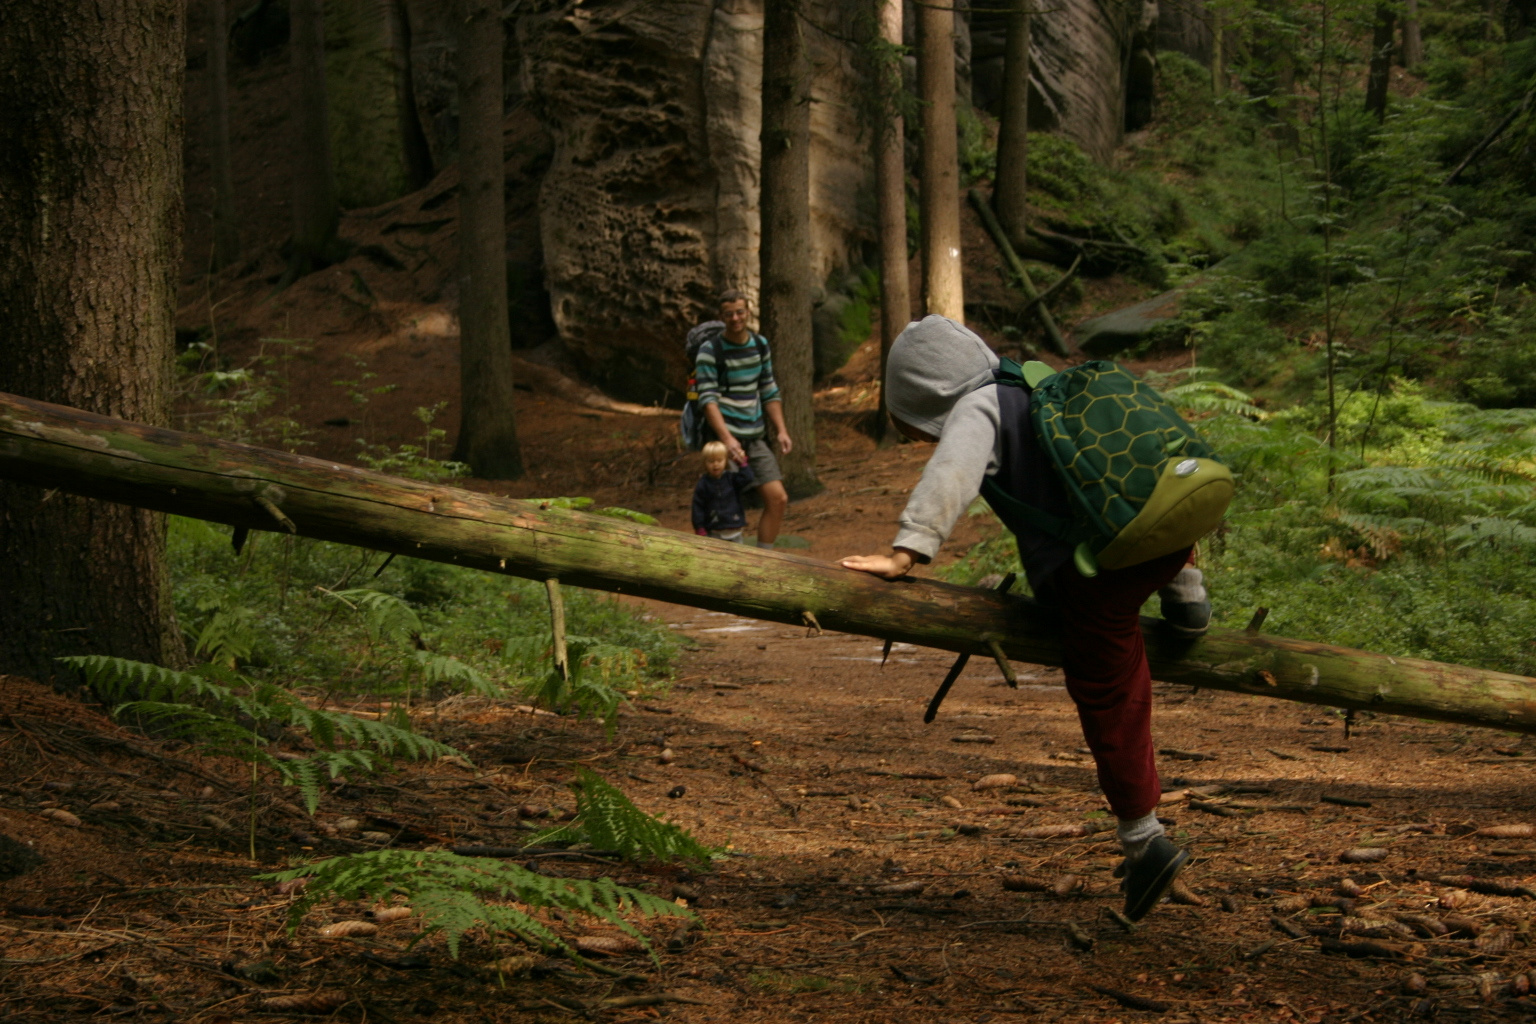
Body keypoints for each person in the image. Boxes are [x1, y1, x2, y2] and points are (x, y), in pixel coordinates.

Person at [840, 315, 1212, 922]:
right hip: (1160, 534)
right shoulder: (1038, 384)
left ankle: (1145, 841)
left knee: (1107, 687)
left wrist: (907, 550)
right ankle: (1187, 598)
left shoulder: (977, 407)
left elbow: (951, 473)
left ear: (929, 393)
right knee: (1141, 520)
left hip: (1096, 573)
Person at [695, 290, 792, 549]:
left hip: (755, 437)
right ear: (721, 317)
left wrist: (781, 430)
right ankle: (722, 563)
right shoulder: (710, 350)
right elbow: (708, 399)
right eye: (729, 314)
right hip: (723, 440)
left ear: (748, 312)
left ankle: (764, 559)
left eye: (740, 312)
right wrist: (727, 439)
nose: (735, 318)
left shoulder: (759, 345)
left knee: (777, 498)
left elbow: (768, 389)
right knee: (722, 505)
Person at [691, 441, 755, 542]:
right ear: (705, 463)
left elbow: (748, 478)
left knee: (737, 555)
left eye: (719, 460)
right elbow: (697, 507)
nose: (715, 464)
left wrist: (742, 463)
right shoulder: (703, 484)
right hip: (714, 531)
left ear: (726, 461)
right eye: (711, 461)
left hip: (734, 527)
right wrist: (699, 527)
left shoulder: (731, 479)